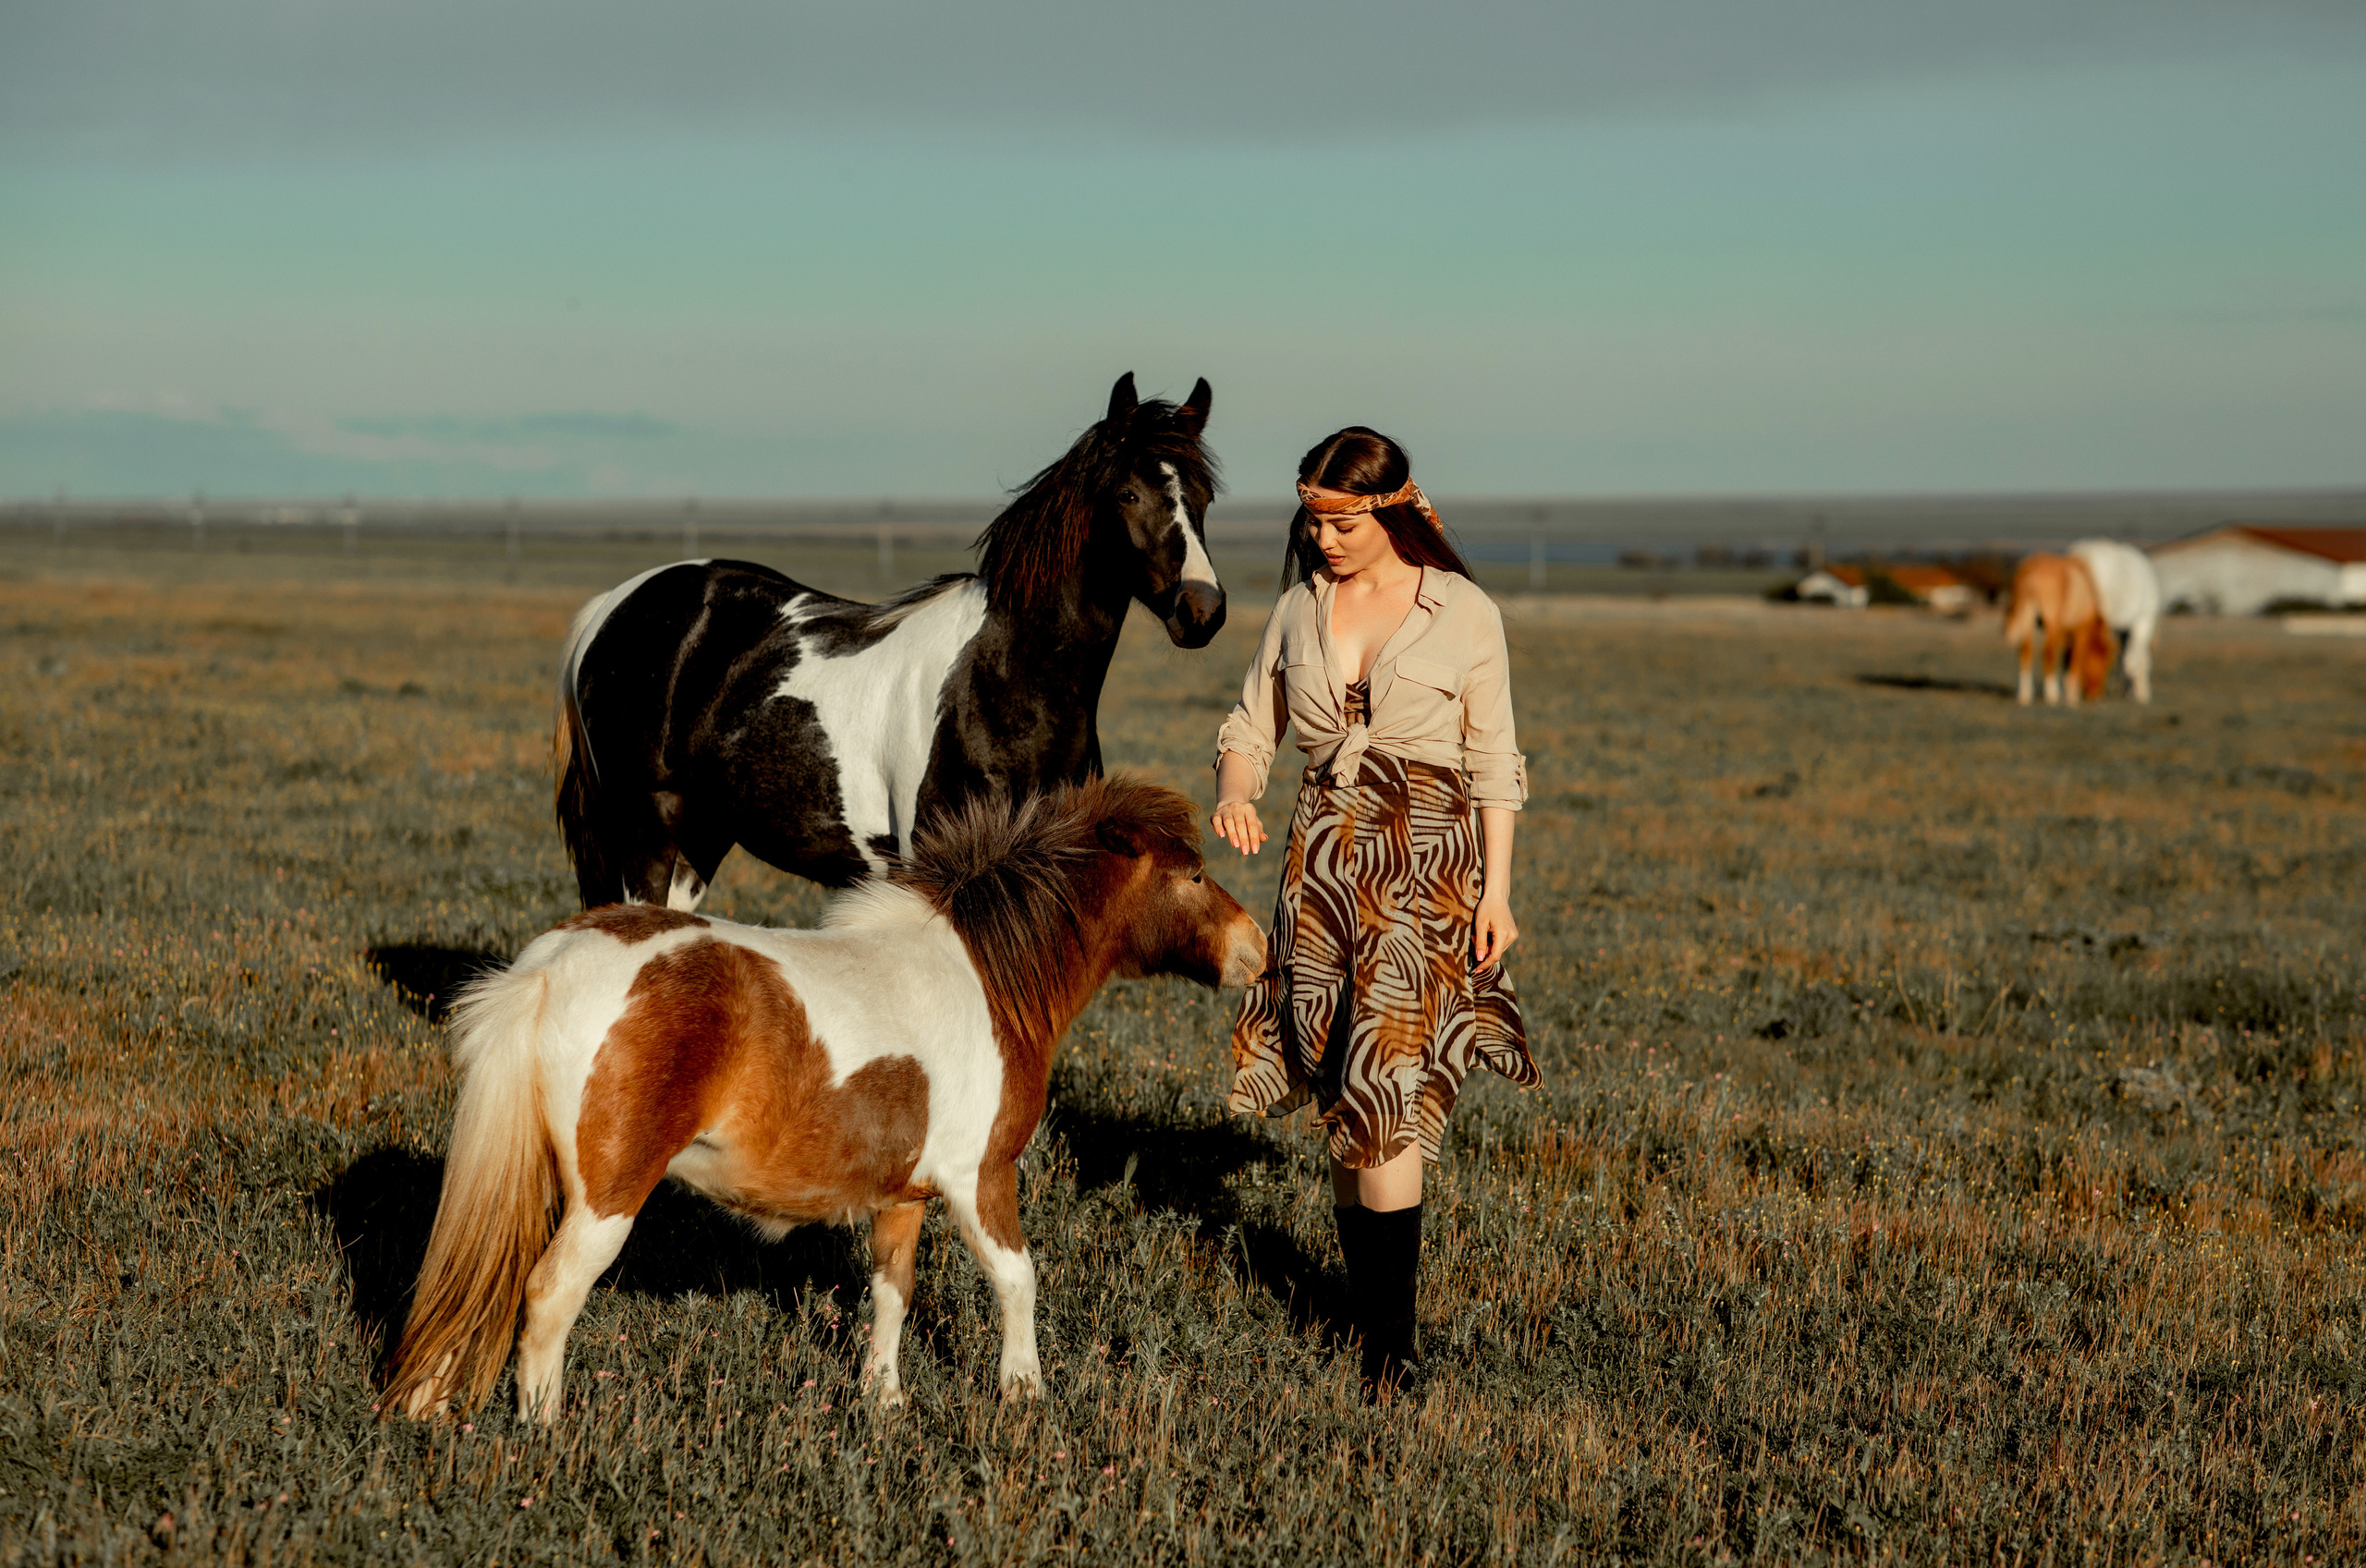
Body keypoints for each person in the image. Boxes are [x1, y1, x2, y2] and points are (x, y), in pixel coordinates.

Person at [1212, 426, 1537, 1394]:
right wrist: (1237, 789)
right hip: (1319, 872)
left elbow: (1496, 764)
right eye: (1312, 520)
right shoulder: (1294, 611)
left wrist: (1500, 892)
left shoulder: (1465, 612)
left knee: (1387, 1099)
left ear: (1394, 505)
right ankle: (1371, 1326)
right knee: (1344, 1098)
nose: (1324, 539)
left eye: (1342, 520)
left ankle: (1390, 1358)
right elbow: (1247, 726)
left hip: (1423, 873)